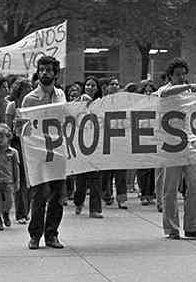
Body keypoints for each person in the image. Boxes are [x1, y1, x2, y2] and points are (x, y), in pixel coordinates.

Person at [155, 58, 196, 240]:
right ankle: (171, 228)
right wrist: (190, 87)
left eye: (184, 75)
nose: (182, 78)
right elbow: (165, 93)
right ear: (170, 76)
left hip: (189, 145)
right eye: (178, 75)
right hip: (170, 147)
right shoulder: (164, 91)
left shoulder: (190, 95)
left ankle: (193, 226)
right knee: (170, 190)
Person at [23, 56, 67, 249]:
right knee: (39, 195)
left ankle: (52, 234)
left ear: (55, 73)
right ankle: (35, 235)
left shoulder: (61, 96)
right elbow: (24, 129)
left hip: (58, 152)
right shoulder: (30, 99)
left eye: (49, 70)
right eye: (41, 70)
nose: (44, 73)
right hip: (38, 154)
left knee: (57, 196)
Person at [72, 76, 103, 218]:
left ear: (97, 89)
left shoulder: (101, 103)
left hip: (96, 144)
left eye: (93, 85)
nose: (90, 87)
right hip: (81, 144)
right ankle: (78, 203)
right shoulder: (77, 102)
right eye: (88, 85)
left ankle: (95, 209)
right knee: (81, 178)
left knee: (96, 178)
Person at [5, 78, 33, 223]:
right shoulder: (12, 106)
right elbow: (7, 130)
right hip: (17, 145)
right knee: (20, 180)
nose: (28, 92)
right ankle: (20, 213)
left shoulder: (32, 105)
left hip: (30, 144)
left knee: (30, 180)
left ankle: (26, 210)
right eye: (25, 90)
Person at [100, 78, 128, 209]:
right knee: (106, 173)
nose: (115, 86)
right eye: (112, 84)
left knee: (121, 173)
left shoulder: (124, 103)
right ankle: (106, 195)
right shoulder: (100, 102)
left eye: (117, 84)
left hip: (120, 141)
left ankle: (122, 199)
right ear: (107, 87)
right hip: (105, 141)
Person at [0, 124, 20, 230]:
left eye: (2, 137)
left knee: (9, 201)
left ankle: (6, 213)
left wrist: (17, 181)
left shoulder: (13, 152)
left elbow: (16, 168)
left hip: (8, 180)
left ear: (8, 137)